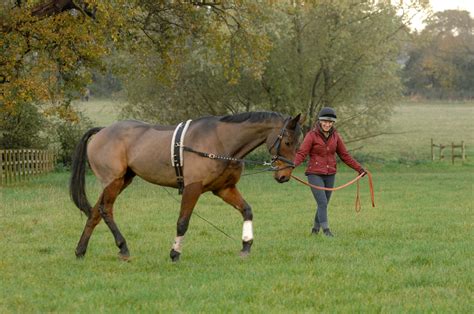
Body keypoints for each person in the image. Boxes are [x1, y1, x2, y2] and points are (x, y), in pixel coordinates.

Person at [293, 107, 365, 237]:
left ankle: (315, 230)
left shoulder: (336, 136)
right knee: (322, 202)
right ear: (320, 121)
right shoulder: (311, 135)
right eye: (325, 121)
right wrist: (291, 166)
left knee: (324, 203)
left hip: (330, 174)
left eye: (330, 122)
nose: (327, 124)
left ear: (333, 123)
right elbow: (302, 154)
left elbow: (345, 155)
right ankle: (326, 231)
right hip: (314, 173)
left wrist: (359, 168)